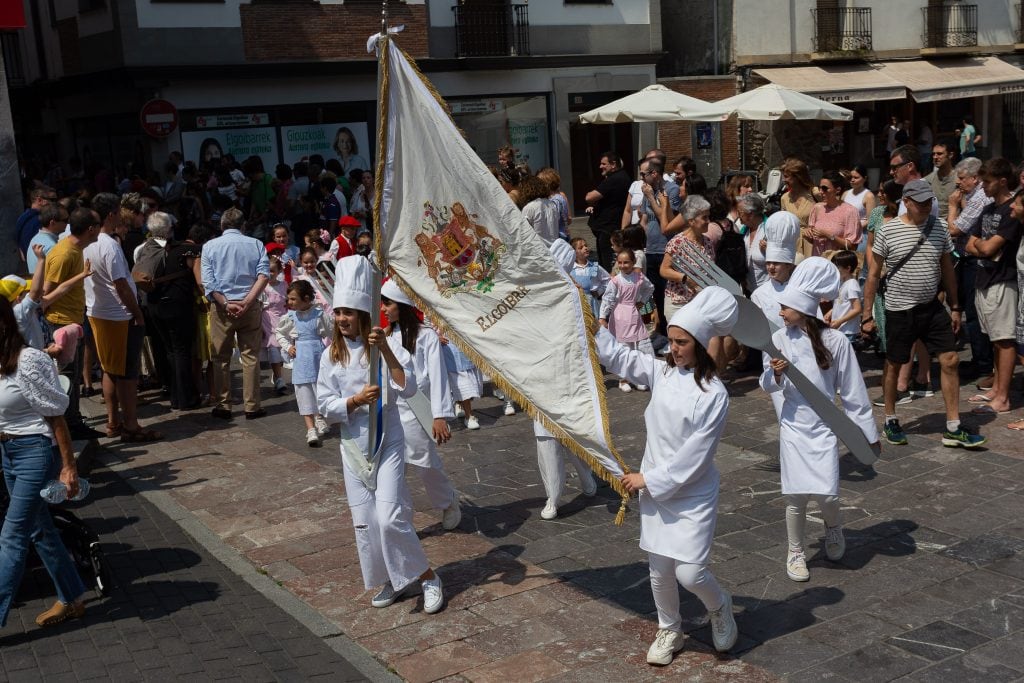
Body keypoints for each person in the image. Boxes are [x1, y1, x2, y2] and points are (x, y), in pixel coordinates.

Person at [597, 286, 740, 664]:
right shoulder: (661, 371)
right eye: (671, 341)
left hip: (691, 492)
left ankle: (720, 605)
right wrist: (588, 321)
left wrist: (649, 479)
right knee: (659, 570)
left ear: (700, 344)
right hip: (657, 492)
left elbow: (696, 454)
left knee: (691, 573)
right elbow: (617, 357)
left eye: (681, 342)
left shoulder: (714, 393)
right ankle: (670, 629)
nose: (673, 348)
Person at [316, 256, 444, 614]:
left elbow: (407, 386)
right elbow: (324, 403)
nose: (342, 319)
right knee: (367, 522)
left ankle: (428, 576)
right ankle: (394, 579)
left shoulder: (385, 344)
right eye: (338, 312)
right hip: (353, 447)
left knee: (390, 517)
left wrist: (385, 350)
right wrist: (354, 400)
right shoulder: (331, 355)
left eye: (350, 313)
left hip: (387, 439)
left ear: (364, 314)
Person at [760, 258, 879, 583]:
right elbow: (766, 383)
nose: (781, 312)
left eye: (786, 307)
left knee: (827, 494)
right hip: (794, 425)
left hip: (824, 425)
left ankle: (834, 527)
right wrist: (776, 374)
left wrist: (866, 434)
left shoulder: (836, 342)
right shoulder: (780, 340)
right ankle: (795, 550)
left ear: (803, 308)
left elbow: (853, 391)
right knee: (795, 496)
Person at [861, 179, 985, 449]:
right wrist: (866, 315)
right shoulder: (888, 230)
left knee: (950, 360)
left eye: (929, 202)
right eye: (921, 203)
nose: (927, 206)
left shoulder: (939, 227)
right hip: (899, 309)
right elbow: (872, 275)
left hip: (931, 308)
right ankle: (891, 418)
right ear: (906, 202)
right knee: (894, 363)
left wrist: (955, 306)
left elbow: (948, 270)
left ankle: (953, 426)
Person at [0, 297, 89, 629]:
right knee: (39, 528)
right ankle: (73, 597)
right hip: (7, 453)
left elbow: (56, 417)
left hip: (36, 453)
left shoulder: (30, 360)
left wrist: (69, 466)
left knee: (13, 535)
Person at [380, 280, 462, 530]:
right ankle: (399, 514)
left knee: (425, 463)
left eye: (388, 303)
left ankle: (448, 501)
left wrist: (439, 416)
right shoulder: (385, 336)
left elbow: (437, 376)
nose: (383, 309)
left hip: (418, 408)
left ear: (402, 305)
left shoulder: (426, 336)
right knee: (394, 467)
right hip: (392, 409)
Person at [84, 193, 159, 443]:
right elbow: (121, 285)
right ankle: (130, 424)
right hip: (119, 315)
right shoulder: (108, 245)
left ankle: (113, 421)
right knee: (127, 373)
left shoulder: (86, 241)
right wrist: (137, 313)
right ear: (111, 215)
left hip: (98, 311)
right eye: (117, 212)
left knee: (110, 369)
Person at [535, 240, 598, 521]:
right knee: (544, 434)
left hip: (567, 371)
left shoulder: (575, 294)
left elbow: (587, 331)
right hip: (540, 372)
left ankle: (585, 474)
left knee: (568, 432)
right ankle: (553, 495)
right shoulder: (534, 294)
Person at [201, 207, 271, 420]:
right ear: (243, 225)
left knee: (221, 357)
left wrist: (224, 304)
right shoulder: (256, 244)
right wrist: (248, 301)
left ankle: (224, 405)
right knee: (250, 357)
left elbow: (208, 281)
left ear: (222, 225)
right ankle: (252, 406)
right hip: (250, 306)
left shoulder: (209, 246)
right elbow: (264, 275)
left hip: (223, 308)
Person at [963, 158, 1021, 416]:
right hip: (984, 279)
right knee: (995, 340)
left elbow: (987, 247)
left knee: (1004, 340)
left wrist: (981, 247)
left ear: (1002, 181)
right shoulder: (988, 209)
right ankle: (996, 388)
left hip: (1002, 280)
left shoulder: (1012, 210)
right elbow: (970, 242)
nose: (983, 186)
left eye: (987, 182)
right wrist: (981, 247)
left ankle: (1004, 397)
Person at [41, 207, 102, 440]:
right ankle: (69, 426)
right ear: (90, 229)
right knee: (66, 378)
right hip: (61, 325)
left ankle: (73, 422)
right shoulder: (64, 254)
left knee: (73, 377)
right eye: (97, 226)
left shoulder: (76, 250)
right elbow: (46, 295)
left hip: (72, 322)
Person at [147, 212, 202, 411]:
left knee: (170, 350)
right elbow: (200, 281)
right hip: (178, 305)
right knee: (181, 351)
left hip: (154, 305)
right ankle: (186, 397)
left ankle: (175, 395)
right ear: (170, 228)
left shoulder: (145, 250)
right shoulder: (188, 250)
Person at [947, 157, 995, 384]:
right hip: (965, 259)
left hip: (973, 261)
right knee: (970, 310)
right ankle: (980, 359)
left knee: (974, 314)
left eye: (963, 178)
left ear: (975, 178)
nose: (959, 183)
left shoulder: (979, 198)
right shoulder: (973, 197)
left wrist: (952, 207)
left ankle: (983, 364)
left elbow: (955, 229)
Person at [275, 279, 332, 447]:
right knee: (303, 391)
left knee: (319, 388)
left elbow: (332, 332)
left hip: (317, 357)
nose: (289, 302)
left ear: (306, 299)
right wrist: (288, 347)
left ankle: (319, 416)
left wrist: (333, 351)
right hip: (301, 359)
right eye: (289, 298)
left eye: (293, 299)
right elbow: (279, 332)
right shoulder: (291, 317)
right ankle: (310, 429)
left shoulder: (319, 314)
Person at [600, 249, 655, 392]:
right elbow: (607, 299)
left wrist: (642, 301)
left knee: (637, 346)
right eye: (620, 262)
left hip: (634, 314)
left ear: (633, 263)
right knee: (624, 347)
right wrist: (602, 317)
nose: (623, 265)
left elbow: (649, 288)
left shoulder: (639, 277)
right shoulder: (616, 281)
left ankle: (637, 377)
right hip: (620, 316)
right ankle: (623, 378)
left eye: (626, 262)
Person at [661, 196, 714, 322]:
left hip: (700, 303)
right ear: (691, 221)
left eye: (708, 217)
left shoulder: (708, 242)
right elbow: (664, 270)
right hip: (679, 303)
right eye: (704, 217)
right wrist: (684, 278)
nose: (708, 221)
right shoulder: (677, 242)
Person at [585, 152, 631, 271]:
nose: (600, 166)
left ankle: (607, 285)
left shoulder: (615, 179)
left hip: (608, 228)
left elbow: (590, 197)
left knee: (606, 263)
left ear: (613, 164)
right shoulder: (618, 177)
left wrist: (590, 194)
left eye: (603, 164)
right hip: (607, 227)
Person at [806, 171, 861, 256]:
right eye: (819, 188)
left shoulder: (850, 211)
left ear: (837, 190)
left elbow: (852, 246)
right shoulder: (817, 208)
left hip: (837, 263)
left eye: (824, 188)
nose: (820, 191)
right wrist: (808, 233)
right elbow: (812, 238)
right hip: (818, 261)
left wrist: (829, 236)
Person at [442, 332, 483, 430]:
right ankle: (468, 415)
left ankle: (463, 407)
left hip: (463, 343)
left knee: (467, 381)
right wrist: (435, 336)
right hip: (444, 346)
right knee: (459, 381)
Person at [260, 255, 289, 396]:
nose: (269, 274)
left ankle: (277, 374)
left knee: (282, 348)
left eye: (272, 271)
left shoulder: (284, 285)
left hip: (283, 318)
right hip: (268, 319)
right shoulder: (263, 287)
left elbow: (288, 301)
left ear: (278, 271)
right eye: (267, 270)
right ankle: (279, 379)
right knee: (273, 347)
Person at [780, 159, 817, 258]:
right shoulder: (784, 198)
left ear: (797, 177)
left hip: (812, 243)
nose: (784, 180)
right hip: (791, 244)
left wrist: (812, 228)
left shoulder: (814, 194)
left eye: (786, 176)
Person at [568, 237, 610, 321]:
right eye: (581, 247)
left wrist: (599, 291)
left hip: (592, 303)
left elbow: (608, 280)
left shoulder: (594, 266)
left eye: (586, 245)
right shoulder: (570, 268)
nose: (585, 248)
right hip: (576, 303)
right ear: (573, 252)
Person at [826, 250, 862, 340]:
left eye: (837, 267)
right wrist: (830, 312)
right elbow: (841, 302)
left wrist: (839, 321)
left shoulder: (852, 285)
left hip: (848, 330)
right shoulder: (842, 282)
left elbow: (857, 309)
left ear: (848, 268)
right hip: (840, 328)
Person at [737, 193, 769, 293]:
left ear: (750, 214)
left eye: (740, 212)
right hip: (748, 291)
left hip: (767, 291)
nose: (738, 216)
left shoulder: (769, 231)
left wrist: (770, 250)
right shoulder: (743, 232)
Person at [16, 188, 57, 265]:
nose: (52, 204)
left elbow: (18, 241)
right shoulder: (39, 220)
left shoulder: (21, 218)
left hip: (29, 261)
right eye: (51, 200)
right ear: (39, 200)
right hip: (38, 262)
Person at [518, 174, 560, 245]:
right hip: (554, 248)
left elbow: (523, 232)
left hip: (539, 249)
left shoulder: (529, 207)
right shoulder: (552, 205)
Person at [26, 202, 68, 274]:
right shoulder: (52, 247)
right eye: (65, 220)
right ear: (52, 223)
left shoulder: (35, 239)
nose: (67, 223)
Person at [925, 142, 957, 219]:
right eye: (933, 154)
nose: (935, 157)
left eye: (939, 154)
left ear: (950, 155)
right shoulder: (928, 180)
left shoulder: (959, 179)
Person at [841, 164, 876, 231]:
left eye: (856, 177)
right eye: (850, 177)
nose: (852, 180)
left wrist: (855, 229)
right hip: (845, 233)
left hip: (861, 235)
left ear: (864, 178)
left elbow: (871, 221)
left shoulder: (869, 196)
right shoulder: (845, 194)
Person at [349, 169, 375, 234]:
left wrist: (367, 215)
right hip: (360, 231)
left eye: (368, 178)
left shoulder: (378, 196)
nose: (366, 180)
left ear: (373, 180)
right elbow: (352, 213)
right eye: (363, 178)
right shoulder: (358, 194)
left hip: (373, 230)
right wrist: (358, 214)